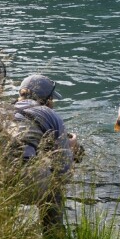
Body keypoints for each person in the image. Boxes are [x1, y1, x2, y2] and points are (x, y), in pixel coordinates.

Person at [11, 74, 82, 230]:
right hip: (26, 185)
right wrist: (70, 148)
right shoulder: (50, 114)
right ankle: (53, 235)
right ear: (48, 100)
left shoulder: (3, 110)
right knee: (56, 185)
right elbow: (64, 170)